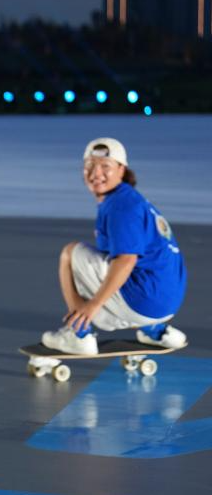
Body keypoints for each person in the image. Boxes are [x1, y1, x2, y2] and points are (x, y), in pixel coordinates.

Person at [40, 138, 187, 354]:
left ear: (121, 170)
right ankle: (155, 331)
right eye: (90, 165)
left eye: (105, 166)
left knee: (71, 254)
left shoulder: (121, 206)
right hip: (167, 304)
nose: (96, 173)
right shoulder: (131, 199)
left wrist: (93, 305)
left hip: (145, 300)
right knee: (104, 263)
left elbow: (126, 260)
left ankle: (78, 333)